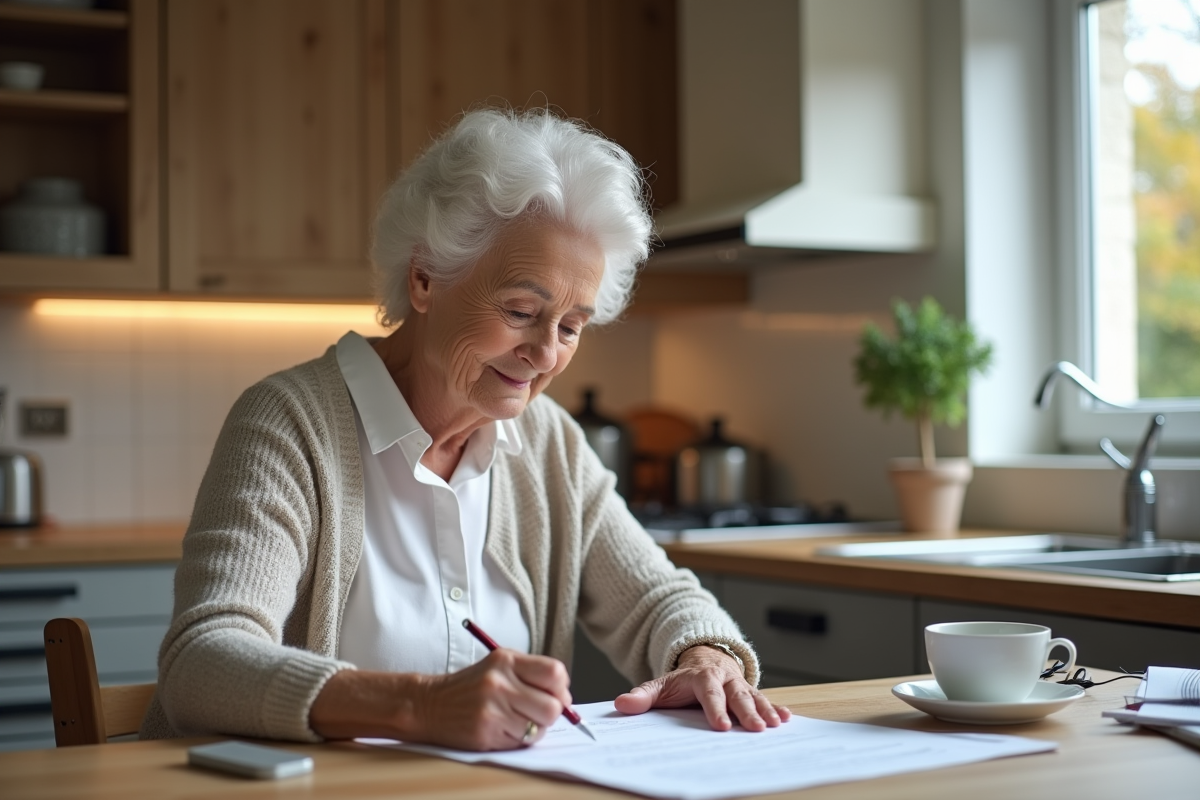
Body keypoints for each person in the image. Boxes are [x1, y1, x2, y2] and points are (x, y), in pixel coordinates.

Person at [140, 108, 790, 751]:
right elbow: (202, 662)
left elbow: (657, 598)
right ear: (425, 278)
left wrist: (706, 658)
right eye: (521, 311)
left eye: (571, 327)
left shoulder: (549, 443)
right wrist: (420, 706)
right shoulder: (289, 424)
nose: (545, 354)